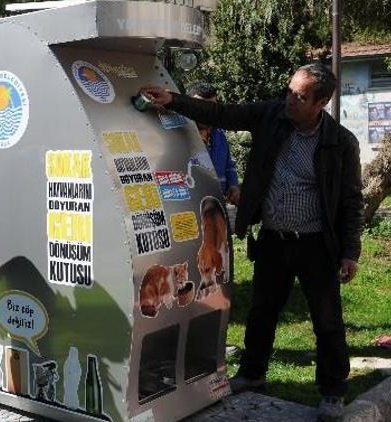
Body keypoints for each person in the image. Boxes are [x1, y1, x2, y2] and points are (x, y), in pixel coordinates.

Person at [139, 63, 363, 422]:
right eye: (289, 90)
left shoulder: (339, 143)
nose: (289, 100)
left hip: (316, 245)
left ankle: (333, 390)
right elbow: (222, 113)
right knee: (262, 312)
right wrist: (174, 100)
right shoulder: (272, 116)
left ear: (321, 102)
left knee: (328, 321)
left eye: (300, 97)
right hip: (274, 238)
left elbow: (352, 200)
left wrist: (351, 251)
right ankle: (253, 373)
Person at [186, 82, 240, 205]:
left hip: (216, 208)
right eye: (200, 106)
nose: (206, 112)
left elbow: (228, 166)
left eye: (211, 107)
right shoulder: (179, 133)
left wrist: (233, 186)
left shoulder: (219, 133)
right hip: (189, 208)